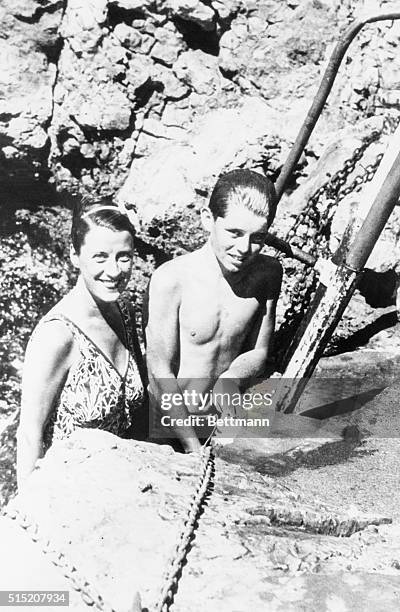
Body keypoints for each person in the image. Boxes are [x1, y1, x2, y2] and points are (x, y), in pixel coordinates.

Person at [144, 169, 282, 452]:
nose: (244, 248)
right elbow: (159, 373)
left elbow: (259, 351)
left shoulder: (268, 274)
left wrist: (231, 379)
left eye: (258, 237)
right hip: (168, 429)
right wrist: (193, 448)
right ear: (209, 220)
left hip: (223, 424)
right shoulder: (171, 281)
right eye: (234, 232)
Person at [17, 197, 147, 488]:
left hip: (122, 482)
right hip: (68, 491)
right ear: (75, 255)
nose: (114, 271)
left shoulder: (124, 309)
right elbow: (29, 434)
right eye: (100, 257)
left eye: (123, 256)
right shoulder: (58, 335)